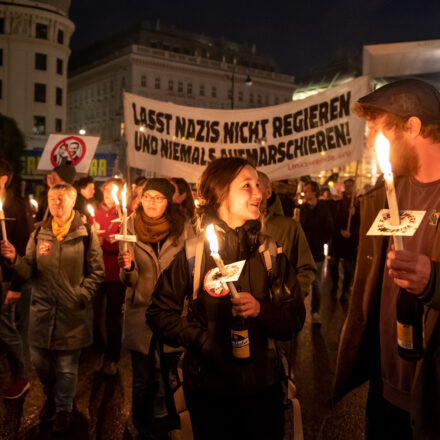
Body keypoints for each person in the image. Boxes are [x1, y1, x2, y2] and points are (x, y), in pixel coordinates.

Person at [146, 158, 305, 440]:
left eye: (258, 185)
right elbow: (159, 312)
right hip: (208, 394)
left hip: (263, 393)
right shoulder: (194, 254)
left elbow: (294, 317)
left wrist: (262, 311)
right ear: (220, 193)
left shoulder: (269, 252)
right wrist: (202, 339)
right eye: (247, 186)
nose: (258, 193)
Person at [333, 79, 440, 439]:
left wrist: (434, 282)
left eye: (377, 131)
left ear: (413, 126)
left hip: (435, 399)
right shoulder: (378, 197)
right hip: (384, 392)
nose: (368, 142)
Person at [1, 183, 104, 434]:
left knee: (67, 367)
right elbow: (28, 269)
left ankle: (64, 408)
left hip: (72, 314)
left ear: (72, 202)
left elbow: (96, 272)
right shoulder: (39, 234)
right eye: (52, 199)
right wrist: (15, 259)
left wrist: (81, 295)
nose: (56, 203)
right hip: (42, 312)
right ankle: (50, 396)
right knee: (40, 363)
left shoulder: (86, 234)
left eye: (61, 199)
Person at [118, 178, 187, 440]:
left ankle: (174, 424)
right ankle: (141, 426)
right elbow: (129, 282)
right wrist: (127, 268)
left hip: (172, 311)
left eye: (159, 198)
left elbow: (191, 269)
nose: (152, 202)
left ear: (168, 201)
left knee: (173, 375)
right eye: (148, 197)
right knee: (142, 378)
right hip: (141, 311)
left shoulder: (182, 229)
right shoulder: (128, 226)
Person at [0, 158, 34, 399]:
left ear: (3, 179)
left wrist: (16, 286)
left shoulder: (17, 208)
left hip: (6, 280)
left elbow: (24, 249)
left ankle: (20, 375)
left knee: (7, 328)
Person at [258, 171, 316, 299]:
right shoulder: (237, 225)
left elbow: (306, 268)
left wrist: (291, 297)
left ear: (268, 192)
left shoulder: (289, 228)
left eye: (257, 186)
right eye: (246, 187)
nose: (251, 192)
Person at [91, 178, 126, 376]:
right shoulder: (95, 212)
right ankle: (99, 352)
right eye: (106, 191)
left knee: (113, 318)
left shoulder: (123, 214)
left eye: (112, 192)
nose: (108, 196)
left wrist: (102, 241)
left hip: (115, 274)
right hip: (96, 272)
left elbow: (118, 244)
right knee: (95, 316)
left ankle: (113, 357)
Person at [299, 180, 333, 324]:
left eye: (307, 190)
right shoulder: (301, 209)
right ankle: (299, 313)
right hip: (303, 252)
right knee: (301, 284)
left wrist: (322, 240)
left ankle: (315, 312)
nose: (305, 193)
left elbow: (329, 227)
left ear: (314, 192)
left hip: (317, 252)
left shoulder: (323, 208)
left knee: (317, 284)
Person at [328, 178, 360, 301]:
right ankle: (334, 286)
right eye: (347, 185)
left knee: (348, 268)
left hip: (350, 242)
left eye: (351, 185)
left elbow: (362, 224)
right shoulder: (338, 204)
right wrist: (340, 231)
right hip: (338, 240)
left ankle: (345, 290)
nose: (349, 187)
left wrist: (355, 214)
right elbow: (333, 221)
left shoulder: (357, 204)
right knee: (333, 264)